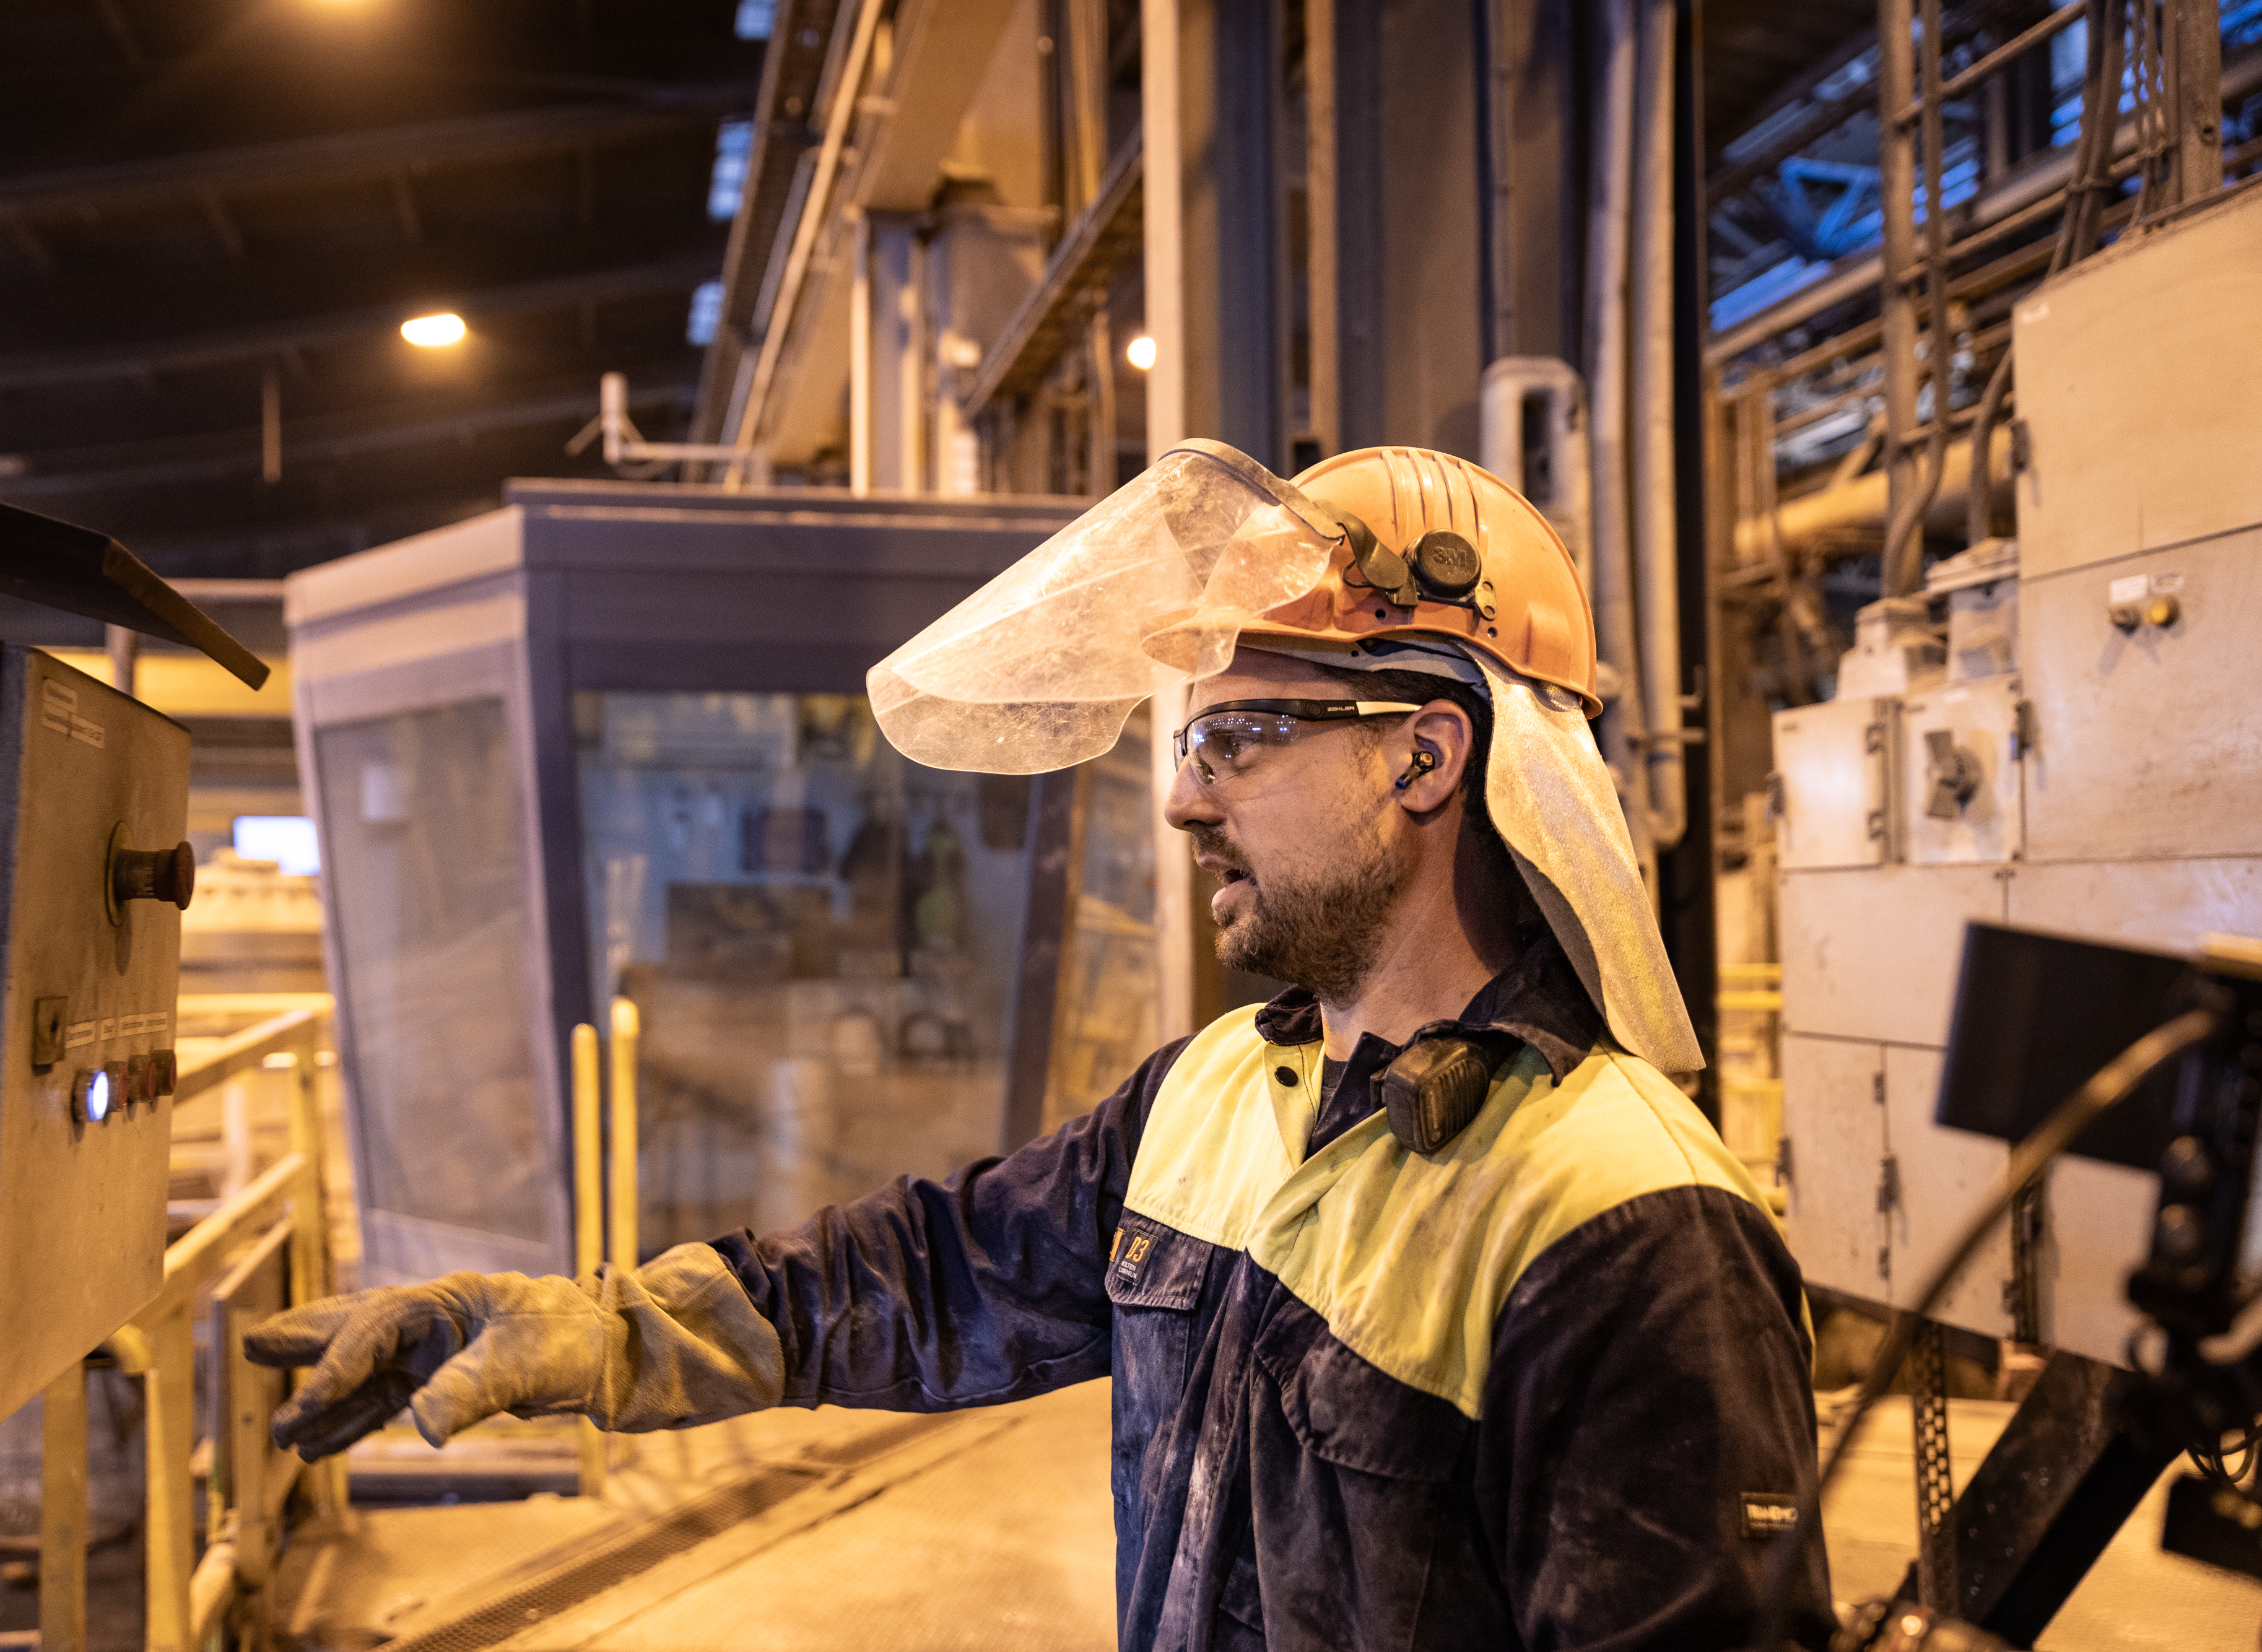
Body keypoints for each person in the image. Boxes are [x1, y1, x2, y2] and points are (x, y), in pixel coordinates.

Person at [246, 441, 1836, 1651]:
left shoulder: (1624, 1228)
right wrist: (585, 1331)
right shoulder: (1218, 1092)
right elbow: (936, 1275)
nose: (1182, 794)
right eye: (1185, 739)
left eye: (1238, 736)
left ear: (1426, 755)